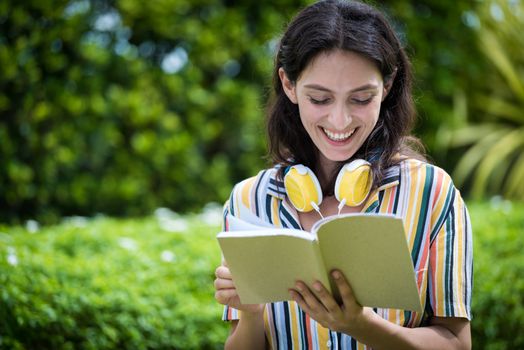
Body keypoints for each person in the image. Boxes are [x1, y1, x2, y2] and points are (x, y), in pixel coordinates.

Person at [214, 0, 473, 349]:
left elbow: (457, 344)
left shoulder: (432, 193)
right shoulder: (249, 202)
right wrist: (250, 313)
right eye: (320, 99)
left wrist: (363, 327)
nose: (340, 121)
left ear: (387, 85)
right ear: (288, 84)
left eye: (361, 99)